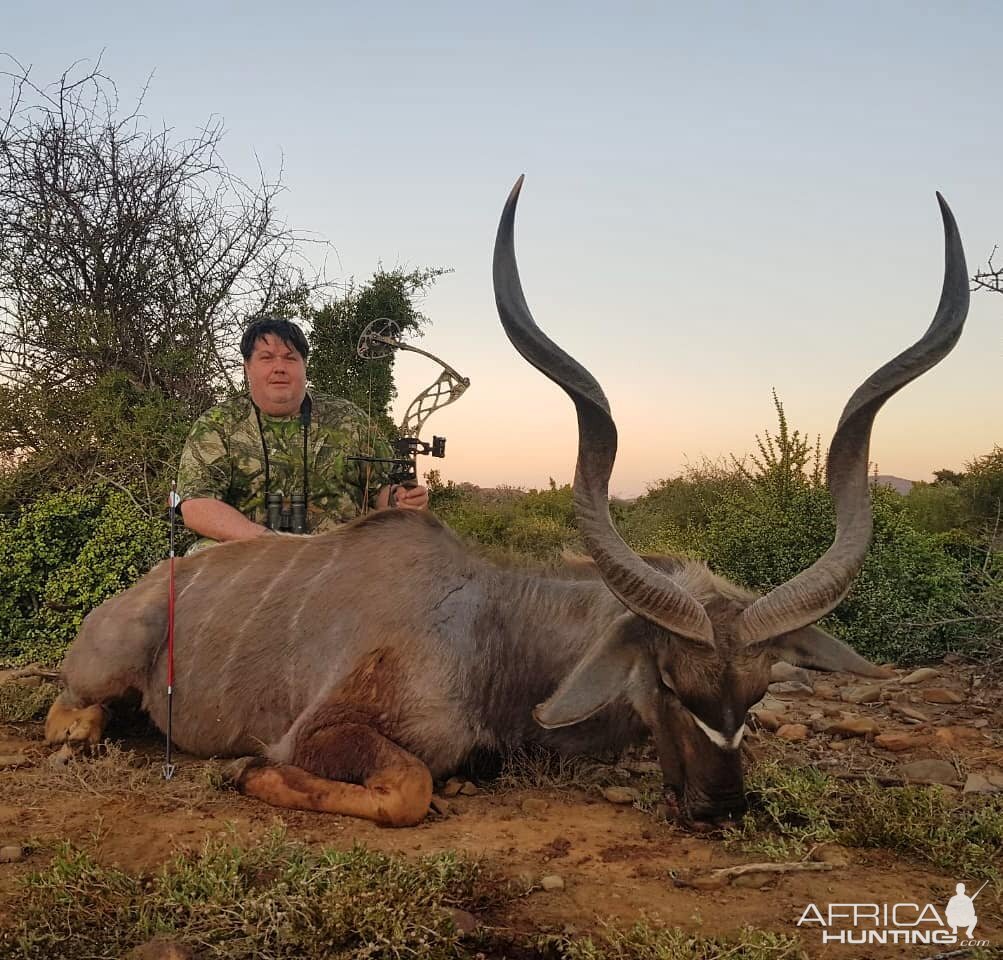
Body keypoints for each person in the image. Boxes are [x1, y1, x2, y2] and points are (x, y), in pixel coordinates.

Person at [177, 317, 428, 550]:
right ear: (247, 366)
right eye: (266, 358)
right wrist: (269, 541)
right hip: (252, 554)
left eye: (289, 358)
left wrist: (403, 500)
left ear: (304, 365)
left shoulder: (350, 419)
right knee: (202, 552)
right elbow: (195, 506)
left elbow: (381, 493)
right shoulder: (217, 424)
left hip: (339, 557)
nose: (279, 368)